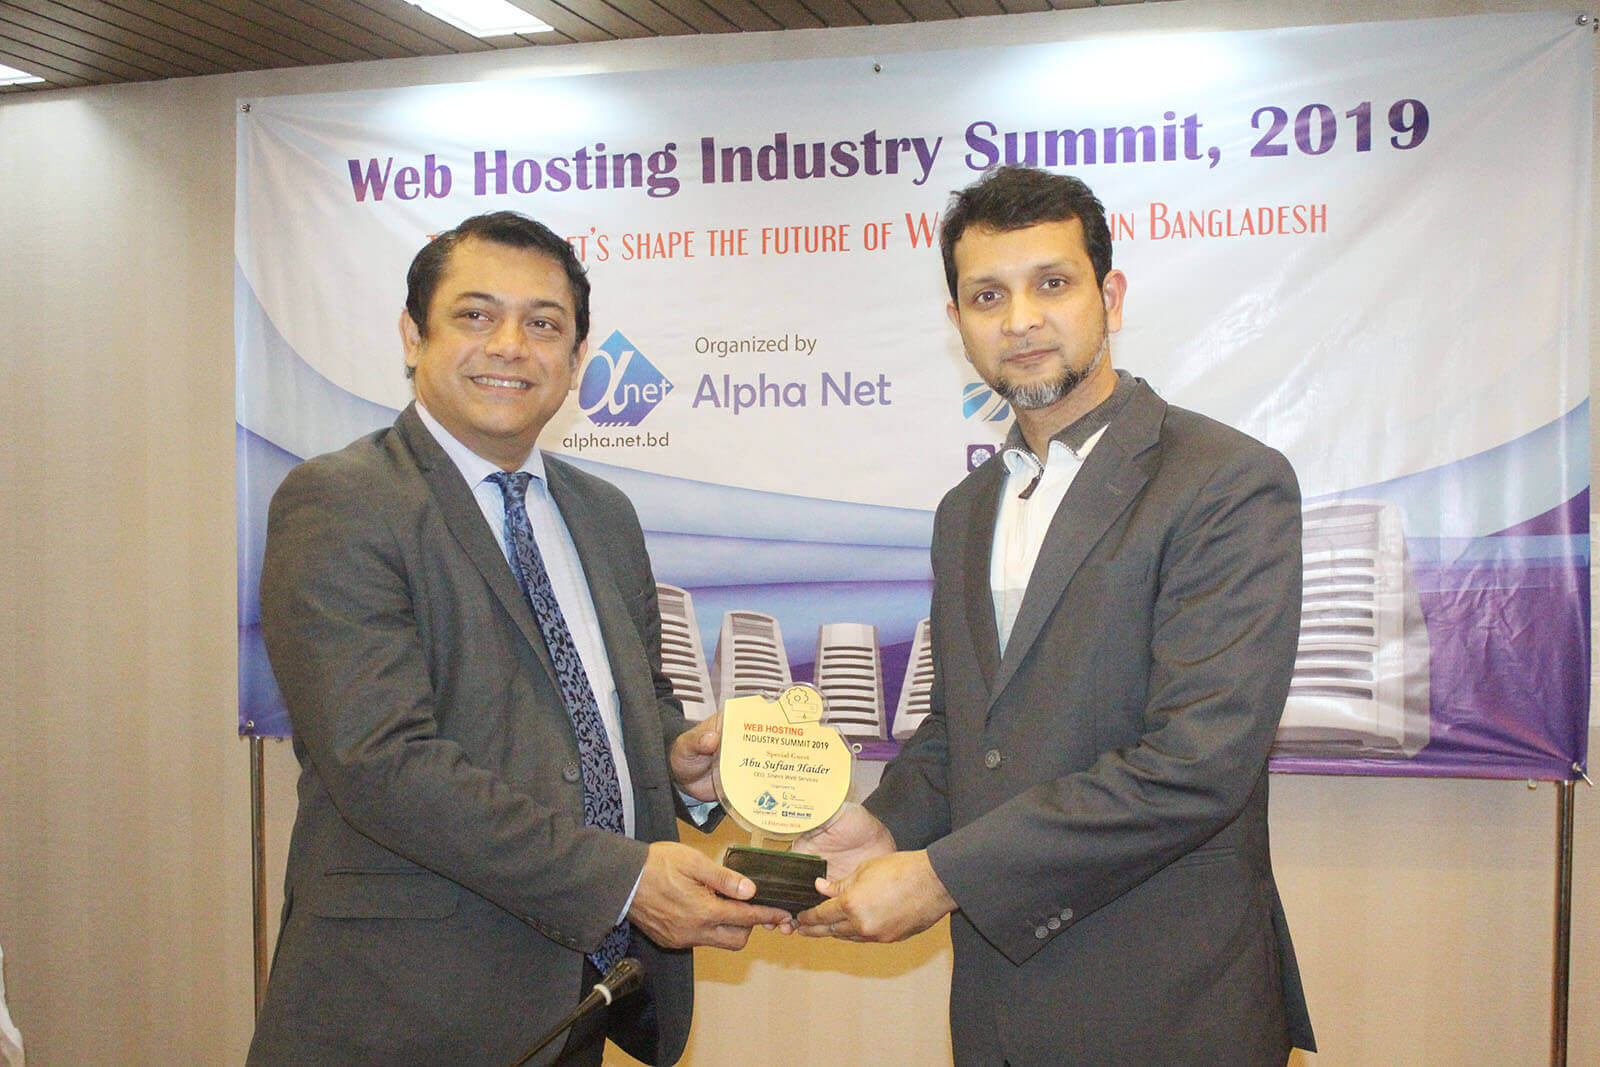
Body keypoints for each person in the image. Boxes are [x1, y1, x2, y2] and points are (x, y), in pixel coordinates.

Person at [793, 166, 1316, 1064]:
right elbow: (965, 731)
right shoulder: (966, 511)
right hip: (998, 1011)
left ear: (1109, 297)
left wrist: (943, 875)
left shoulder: (1225, 481)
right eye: (988, 295)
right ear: (958, 322)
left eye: (1053, 283)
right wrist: (888, 827)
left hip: (1170, 1006)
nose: (1021, 319)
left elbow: (1196, 765)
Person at [248, 211, 787, 1065]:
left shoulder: (603, 514)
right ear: (413, 336)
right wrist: (624, 880)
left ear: (577, 358)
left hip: (576, 996)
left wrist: (678, 756)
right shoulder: (342, 501)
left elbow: (623, 702)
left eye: (543, 324)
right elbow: (382, 762)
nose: (510, 345)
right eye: (475, 314)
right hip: (403, 1005)